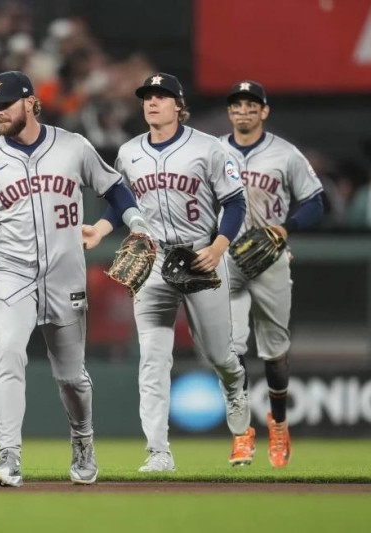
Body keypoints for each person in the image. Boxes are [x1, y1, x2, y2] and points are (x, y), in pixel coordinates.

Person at [0, 70, 149, 487]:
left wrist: (137, 222)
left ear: (31, 103)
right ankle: (8, 458)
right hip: (10, 275)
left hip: (65, 275)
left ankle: (83, 441)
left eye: (7, 104)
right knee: (8, 352)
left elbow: (115, 189)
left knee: (72, 378)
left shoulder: (73, 147)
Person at [83, 73, 251, 471]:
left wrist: (218, 246)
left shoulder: (208, 148)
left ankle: (234, 388)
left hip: (200, 256)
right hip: (154, 259)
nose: (152, 102)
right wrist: (102, 228)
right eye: (147, 97)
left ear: (179, 105)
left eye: (162, 96)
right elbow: (120, 202)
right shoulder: (128, 152)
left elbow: (236, 204)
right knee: (153, 359)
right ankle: (159, 451)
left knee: (217, 354)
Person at [221, 80, 324, 467]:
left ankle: (278, 425)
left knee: (275, 353)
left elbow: (315, 201)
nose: (243, 111)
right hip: (226, 255)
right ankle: (241, 434)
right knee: (228, 349)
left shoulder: (285, 153)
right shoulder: (213, 151)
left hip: (270, 258)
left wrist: (286, 227)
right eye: (237, 105)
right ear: (230, 112)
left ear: (264, 111)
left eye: (251, 105)